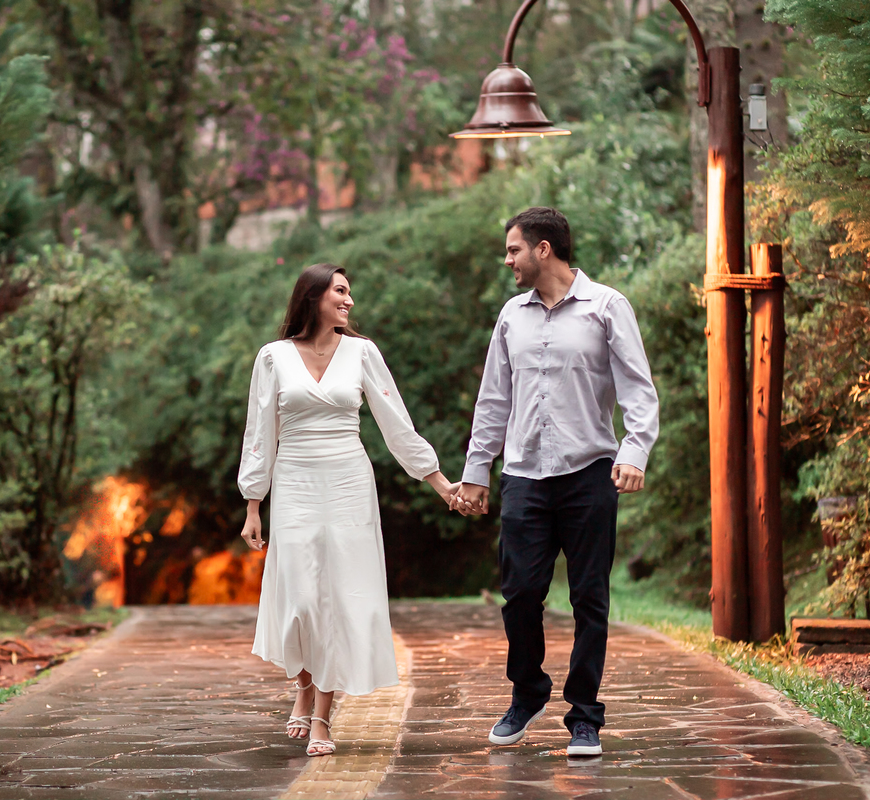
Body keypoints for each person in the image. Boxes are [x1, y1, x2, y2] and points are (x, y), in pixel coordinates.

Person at [451, 207, 659, 757]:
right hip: (523, 475)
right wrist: (477, 472)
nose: (508, 260)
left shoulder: (607, 308)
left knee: (590, 597)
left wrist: (634, 451)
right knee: (519, 594)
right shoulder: (510, 318)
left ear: (544, 250)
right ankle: (528, 690)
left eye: (514, 250)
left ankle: (585, 715)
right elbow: (494, 399)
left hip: (589, 473)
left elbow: (639, 391)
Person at [238, 263, 460, 758]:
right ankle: (303, 681)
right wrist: (253, 505)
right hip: (294, 484)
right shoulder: (273, 357)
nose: (349, 301)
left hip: (348, 485)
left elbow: (396, 423)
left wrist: (441, 485)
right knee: (299, 598)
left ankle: (322, 713)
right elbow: (260, 432)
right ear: (313, 296)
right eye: (340, 291)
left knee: (338, 598)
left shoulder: (363, 353)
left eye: (350, 292)